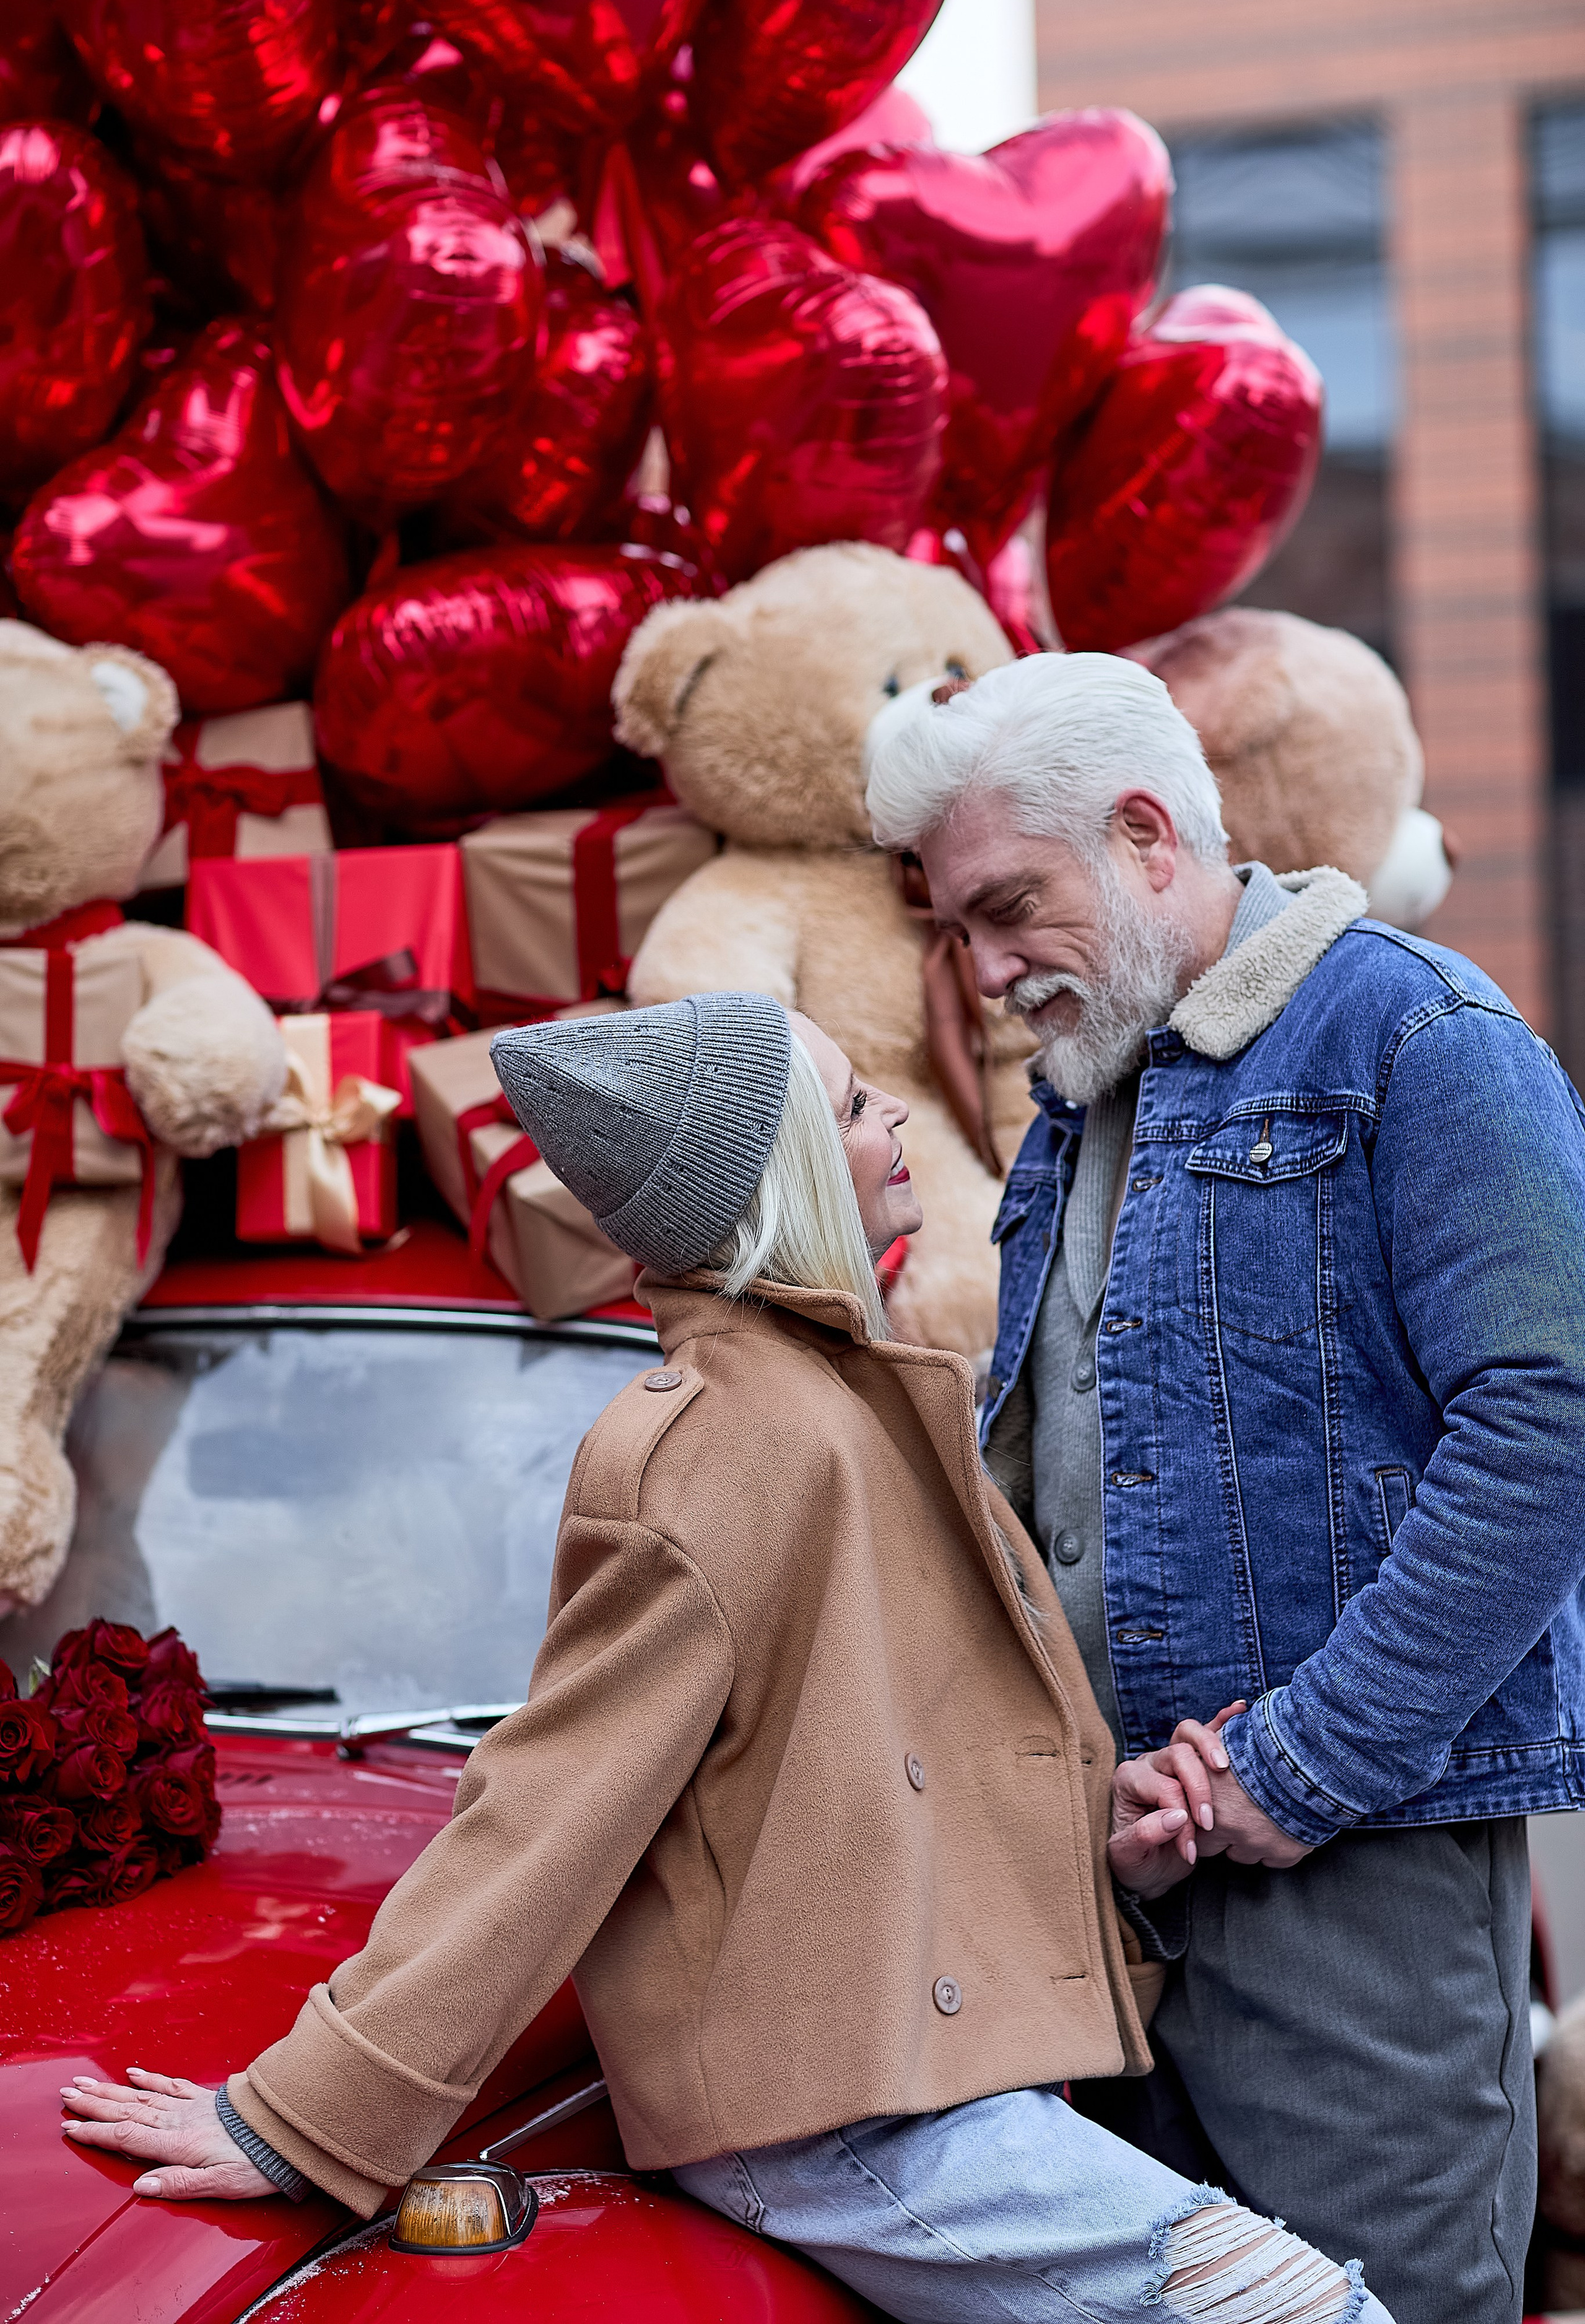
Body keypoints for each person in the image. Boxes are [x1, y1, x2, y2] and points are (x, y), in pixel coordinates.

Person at [58, 993, 1391, 2324]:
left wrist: (1103, 1836)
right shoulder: (718, 1442)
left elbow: (870, 1766)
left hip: (905, 2075)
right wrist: (304, 2116)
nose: (893, 1118)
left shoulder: (832, 1400)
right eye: (854, 1107)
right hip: (836, 2113)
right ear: (786, 1173)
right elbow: (550, 1806)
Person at [864, 650, 1585, 2324]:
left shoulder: (1417, 1033)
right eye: (956, 932)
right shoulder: (1083, 1095)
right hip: (1125, 1891)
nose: (982, 971)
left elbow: (1550, 1422)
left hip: (1353, 1879)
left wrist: (1298, 1765)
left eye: (1006, 909)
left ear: (1144, 833)